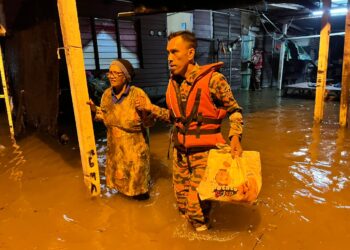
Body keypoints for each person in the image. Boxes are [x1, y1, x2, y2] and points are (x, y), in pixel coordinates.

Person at [135, 31, 244, 231]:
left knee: (196, 207)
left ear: (190, 53)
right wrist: (150, 109)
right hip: (180, 154)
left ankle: (205, 237)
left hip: (206, 153)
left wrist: (235, 136)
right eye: (168, 52)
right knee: (183, 205)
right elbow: (173, 117)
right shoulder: (173, 83)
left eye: (175, 52)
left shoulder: (214, 80)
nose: (169, 58)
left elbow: (235, 110)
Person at [87, 59, 154, 200]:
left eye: (116, 73)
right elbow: (105, 117)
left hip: (135, 155)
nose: (111, 76)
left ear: (126, 76)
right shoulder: (106, 95)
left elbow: (150, 123)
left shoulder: (137, 94)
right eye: (109, 73)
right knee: (120, 190)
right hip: (116, 154)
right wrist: (94, 110)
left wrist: (144, 112)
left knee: (138, 191)